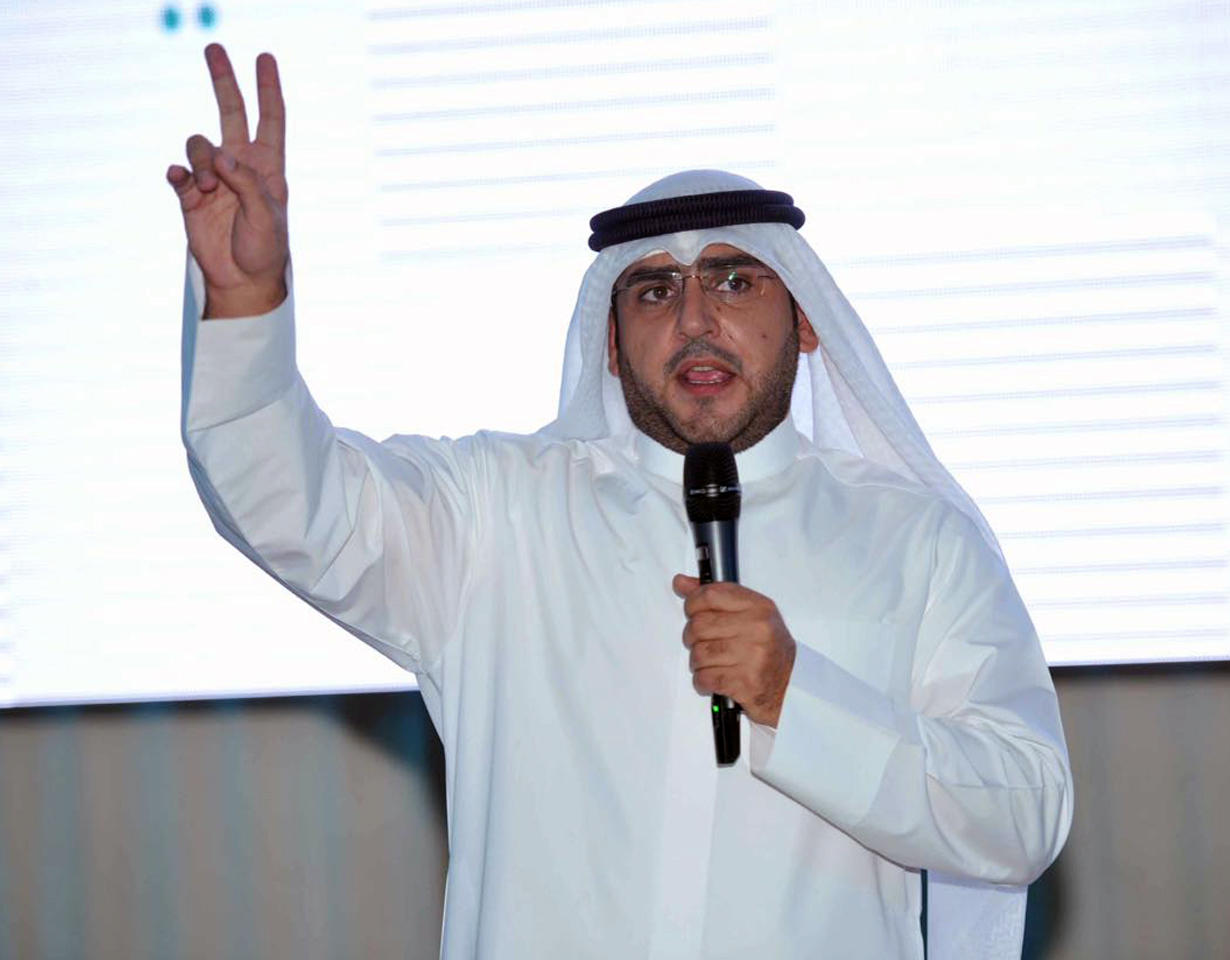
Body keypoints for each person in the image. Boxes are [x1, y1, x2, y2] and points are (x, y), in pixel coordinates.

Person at [170, 44, 1072, 959]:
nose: (694, 320)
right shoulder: (497, 518)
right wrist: (246, 303)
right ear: (609, 342)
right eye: (654, 290)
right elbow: (286, 499)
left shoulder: (917, 541)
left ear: (806, 322)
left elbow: (1025, 814)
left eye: (734, 280)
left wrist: (796, 697)